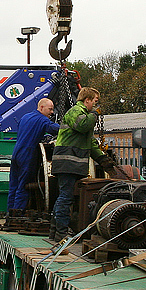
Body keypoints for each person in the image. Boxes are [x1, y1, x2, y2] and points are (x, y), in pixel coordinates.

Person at [49, 87, 115, 242]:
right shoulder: (75, 112)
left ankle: (55, 231)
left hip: (71, 164)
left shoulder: (84, 115)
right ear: (87, 100)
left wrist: (103, 160)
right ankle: (61, 232)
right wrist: (94, 115)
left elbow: (90, 143)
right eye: (95, 102)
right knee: (65, 197)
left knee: (64, 197)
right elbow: (83, 126)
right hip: (67, 163)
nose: (96, 106)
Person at [7, 97, 59, 217]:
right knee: (23, 186)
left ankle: (9, 213)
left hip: (16, 153)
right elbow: (54, 129)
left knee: (13, 186)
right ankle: (17, 216)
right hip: (27, 155)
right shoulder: (42, 120)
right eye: (50, 109)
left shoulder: (25, 117)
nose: (52, 112)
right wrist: (69, 127)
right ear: (41, 107)